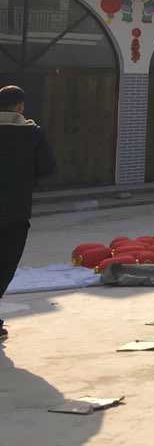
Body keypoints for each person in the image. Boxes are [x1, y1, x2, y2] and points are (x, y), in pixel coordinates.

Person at [0, 85, 57, 341]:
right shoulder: (31, 134)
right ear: (20, 106)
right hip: (15, 210)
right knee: (5, 264)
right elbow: (47, 169)